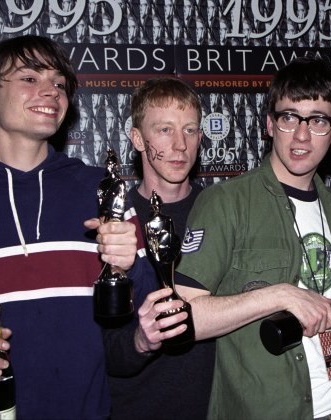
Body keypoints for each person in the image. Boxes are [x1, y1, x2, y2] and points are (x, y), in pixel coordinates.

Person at [0, 35, 152, 418]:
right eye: (30, 78)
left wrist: (129, 266)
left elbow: (148, 316)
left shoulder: (103, 190)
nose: (50, 91)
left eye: (60, 84)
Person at [171, 57, 331, 419]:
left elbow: (328, 312)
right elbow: (183, 318)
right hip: (270, 408)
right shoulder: (227, 202)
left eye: (318, 120)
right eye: (290, 117)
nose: (302, 135)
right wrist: (278, 294)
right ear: (269, 124)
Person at [103, 77, 215, 420]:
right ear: (138, 138)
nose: (180, 145)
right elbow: (104, 351)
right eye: (165, 129)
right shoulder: (114, 223)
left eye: (190, 130)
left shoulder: (221, 210)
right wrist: (141, 340)